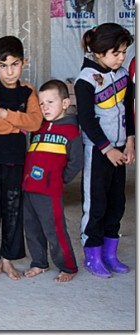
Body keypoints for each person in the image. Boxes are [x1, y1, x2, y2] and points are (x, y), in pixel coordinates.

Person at [0, 35, 43, 283]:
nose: (9, 71)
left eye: (14, 64)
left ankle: (8, 259)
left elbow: (35, 121)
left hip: (16, 161)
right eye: (4, 65)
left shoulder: (28, 91)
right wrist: (17, 127)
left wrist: (7, 114)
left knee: (13, 211)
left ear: (24, 63)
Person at [74, 23, 135, 278]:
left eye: (124, 53)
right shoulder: (85, 80)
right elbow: (86, 120)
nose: (122, 58)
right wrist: (107, 148)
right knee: (96, 205)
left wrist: (130, 141)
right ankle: (94, 255)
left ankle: (111, 254)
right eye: (116, 53)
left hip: (121, 150)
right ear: (99, 52)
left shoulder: (122, 75)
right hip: (99, 153)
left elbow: (130, 109)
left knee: (116, 204)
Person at [22, 79, 83, 283]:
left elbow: (76, 161)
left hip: (49, 191)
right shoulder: (38, 127)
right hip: (30, 188)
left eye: (50, 102)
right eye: (41, 103)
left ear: (65, 103)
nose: (45, 107)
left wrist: (60, 179)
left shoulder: (71, 131)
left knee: (54, 230)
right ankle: (39, 262)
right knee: (31, 229)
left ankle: (68, 266)